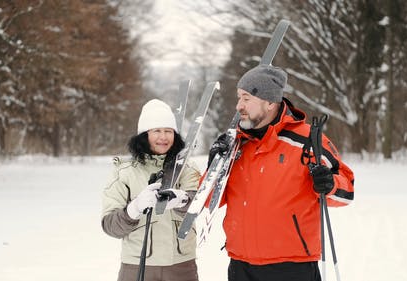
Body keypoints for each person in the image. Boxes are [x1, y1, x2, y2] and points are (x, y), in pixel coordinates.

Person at [208, 65, 355, 281]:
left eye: (246, 98)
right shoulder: (236, 145)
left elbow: (347, 191)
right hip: (241, 265)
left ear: (269, 103)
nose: (239, 106)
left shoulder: (307, 141)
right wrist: (215, 166)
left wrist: (329, 183)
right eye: (239, 98)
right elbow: (211, 200)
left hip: (292, 266)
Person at [101, 99, 201, 281]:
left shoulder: (187, 168)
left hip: (180, 265)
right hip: (137, 265)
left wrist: (182, 200)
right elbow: (110, 226)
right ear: (144, 134)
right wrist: (135, 208)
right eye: (157, 131)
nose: (163, 137)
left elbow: (201, 204)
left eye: (168, 131)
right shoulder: (124, 172)